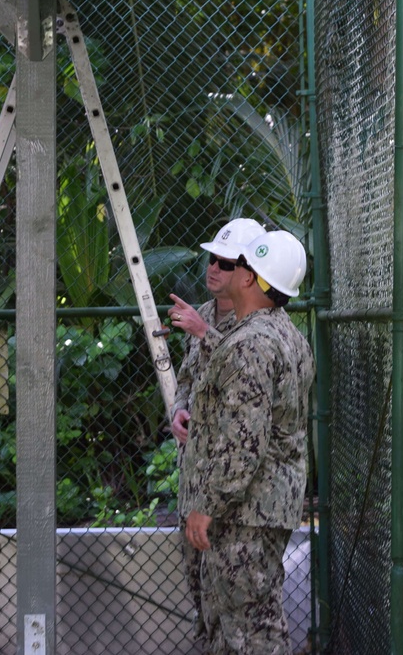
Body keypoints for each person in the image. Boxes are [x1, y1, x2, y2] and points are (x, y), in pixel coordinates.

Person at [178, 230, 314, 654]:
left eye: (237, 265)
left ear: (251, 279)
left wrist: (206, 507)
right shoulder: (286, 334)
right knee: (244, 622)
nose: (225, 270)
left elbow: (242, 447)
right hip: (264, 506)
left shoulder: (251, 344)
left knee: (250, 632)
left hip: (246, 513)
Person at [166, 217, 265, 643]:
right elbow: (189, 379)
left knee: (237, 604)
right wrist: (178, 410)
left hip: (234, 489)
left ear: (247, 273)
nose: (213, 270)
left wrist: (205, 334)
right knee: (198, 587)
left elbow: (245, 376)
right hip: (196, 474)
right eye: (211, 260)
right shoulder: (203, 313)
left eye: (224, 264)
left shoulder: (258, 323)